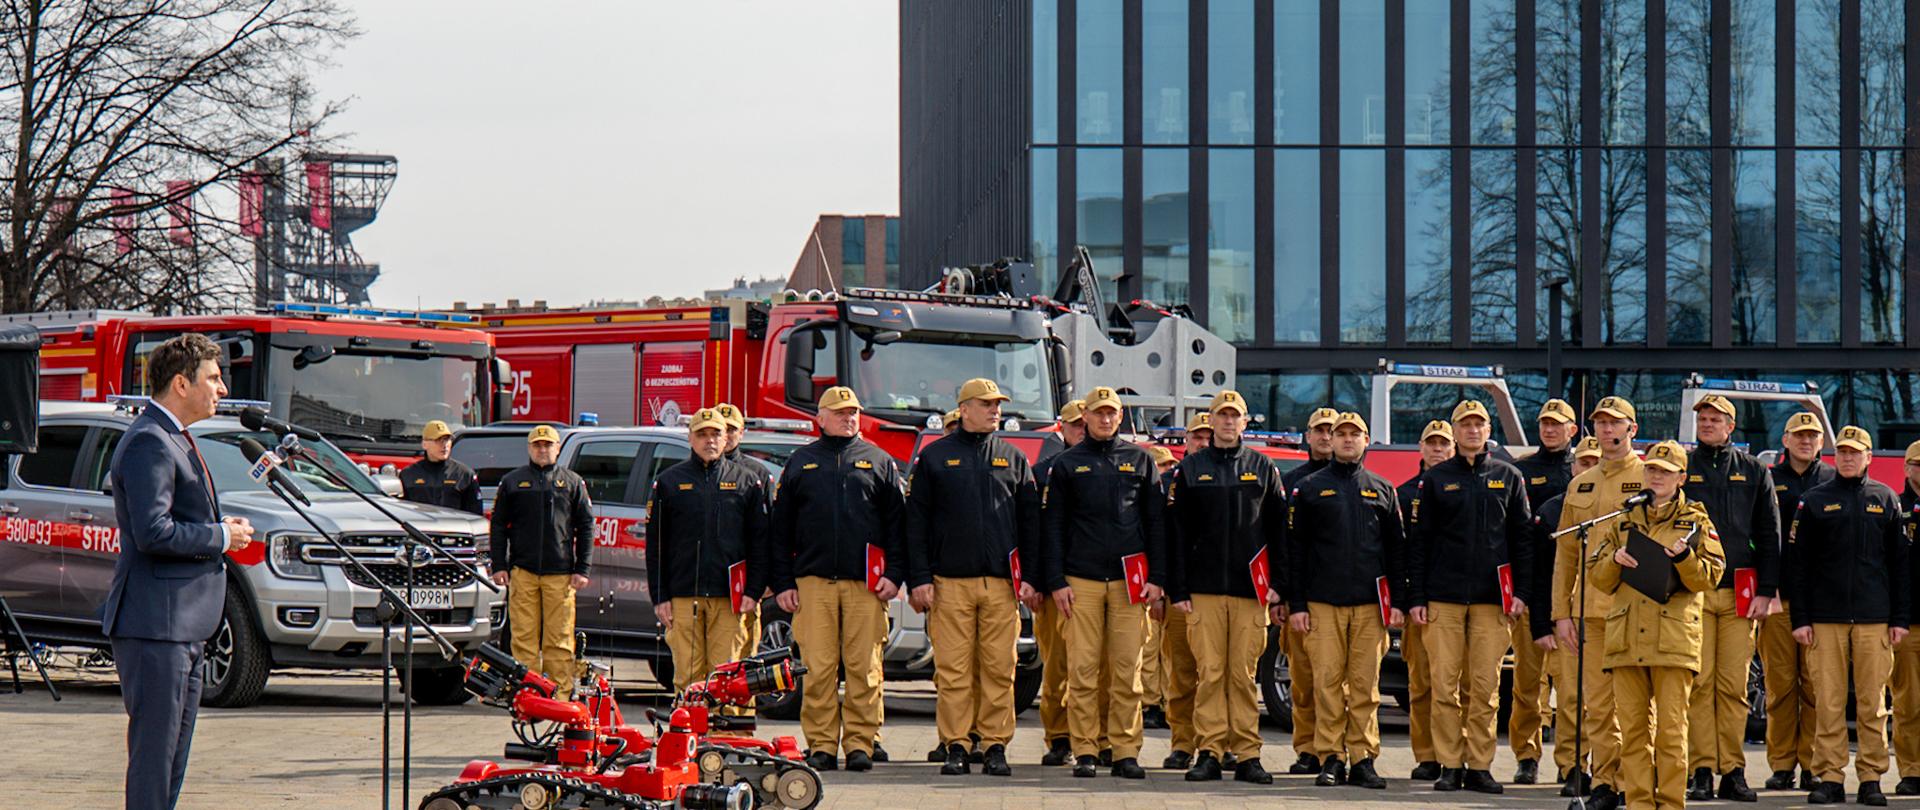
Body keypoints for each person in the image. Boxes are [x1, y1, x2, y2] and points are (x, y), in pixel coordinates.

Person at [104, 333, 255, 810]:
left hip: (183, 625)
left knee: (171, 760)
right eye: (214, 378)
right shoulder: (150, 441)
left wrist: (218, 528)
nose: (223, 389)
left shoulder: (173, 436)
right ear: (181, 384)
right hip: (156, 624)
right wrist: (221, 536)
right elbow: (153, 532)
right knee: (155, 759)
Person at [904, 378, 1041, 778]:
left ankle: (995, 745)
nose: (995, 410)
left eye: (998, 404)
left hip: (1001, 585)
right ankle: (957, 745)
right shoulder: (934, 457)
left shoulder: (1014, 458)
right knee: (953, 671)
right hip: (949, 583)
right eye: (986, 404)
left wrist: (1030, 577)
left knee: (1000, 668)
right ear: (963, 409)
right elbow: (916, 524)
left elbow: (1030, 524)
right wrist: (919, 578)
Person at [769, 387, 906, 773]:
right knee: (817, 669)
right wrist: (783, 583)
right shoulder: (800, 463)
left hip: (866, 585)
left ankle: (861, 743)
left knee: (865, 667)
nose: (849, 418)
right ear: (821, 418)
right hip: (814, 584)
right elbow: (780, 531)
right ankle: (822, 745)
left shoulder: (879, 461)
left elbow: (898, 526)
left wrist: (895, 574)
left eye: (853, 412)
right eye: (841, 412)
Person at [1590, 441, 1726, 810]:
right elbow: (1598, 578)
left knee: (1671, 733)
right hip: (1627, 639)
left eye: (1665, 472)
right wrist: (1614, 561)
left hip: (1673, 640)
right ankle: (1638, 803)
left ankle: (1669, 804)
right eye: (1651, 469)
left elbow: (1710, 576)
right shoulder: (1623, 520)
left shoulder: (1697, 521)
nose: (1656, 476)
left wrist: (1684, 558)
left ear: (1681, 478)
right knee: (1633, 733)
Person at [1408, 400, 1531, 794]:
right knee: (1444, 686)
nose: (1472, 430)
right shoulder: (1436, 479)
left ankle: (1479, 765)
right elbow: (1420, 542)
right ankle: (1450, 764)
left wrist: (1521, 593)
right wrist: (1418, 597)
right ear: (1455, 431)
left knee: (1484, 688)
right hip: (1442, 599)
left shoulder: (1509, 476)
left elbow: (1522, 540)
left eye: (1479, 424)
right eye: (1465, 424)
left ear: (1488, 430)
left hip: (1492, 601)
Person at [1043, 386, 1166, 779]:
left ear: (1120, 417)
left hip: (1130, 584)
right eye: (1098, 413)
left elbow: (1156, 523)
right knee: (1083, 671)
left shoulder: (1140, 460)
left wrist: (1158, 578)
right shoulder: (1067, 464)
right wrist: (1056, 581)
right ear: (1086, 417)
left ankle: (1124, 750)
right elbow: (1053, 526)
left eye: (1111, 412)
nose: (1105, 419)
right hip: (1081, 581)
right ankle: (1085, 750)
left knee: (1127, 671)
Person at [1787, 425, 1911, 806]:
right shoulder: (1813, 500)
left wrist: (1899, 619)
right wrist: (1800, 619)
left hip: (1875, 618)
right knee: (1828, 703)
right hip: (1825, 618)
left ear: (1869, 457)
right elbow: (1798, 565)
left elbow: (1900, 565)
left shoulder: (1885, 499)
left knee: (1873, 704)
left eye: (1855, 452)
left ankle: (1871, 778)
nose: (1847, 458)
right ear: (1834, 456)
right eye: (1842, 452)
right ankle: (1829, 777)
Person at [1165, 390, 1285, 784]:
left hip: (1252, 592)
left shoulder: (1263, 467)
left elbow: (1279, 532)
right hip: (1204, 590)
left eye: (1236, 416)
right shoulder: (1191, 468)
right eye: (1222, 415)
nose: (1229, 421)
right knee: (1211, 673)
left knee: (1243, 676)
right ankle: (1210, 752)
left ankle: (1248, 754)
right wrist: (1178, 588)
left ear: (1245, 422)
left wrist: (1279, 585)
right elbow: (1177, 533)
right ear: (1211, 420)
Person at [1286, 411, 1404, 790]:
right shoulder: (1309, 489)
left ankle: (1363, 758)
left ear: (1367, 440)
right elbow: (1295, 551)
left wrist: (1398, 602)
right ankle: (1331, 757)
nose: (1348, 439)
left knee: (1366, 685)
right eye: (1341, 434)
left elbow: (1396, 551)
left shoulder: (1383, 489)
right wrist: (1297, 605)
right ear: (1332, 440)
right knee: (1327, 684)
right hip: (1322, 604)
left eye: (1356, 434)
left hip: (1370, 606)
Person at [1680, 395, 1778, 802]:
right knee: (1700, 684)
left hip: (1741, 593)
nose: (1707, 424)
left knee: (1734, 687)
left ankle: (1733, 771)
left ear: (1730, 426)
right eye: (1702, 418)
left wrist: (1767, 591)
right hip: (1695, 591)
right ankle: (1702, 769)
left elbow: (1770, 532)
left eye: (1715, 419)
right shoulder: (1684, 467)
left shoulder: (1753, 470)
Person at [1551, 395, 1645, 810]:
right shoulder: (1580, 484)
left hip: (1636, 609)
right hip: (1589, 611)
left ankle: (1634, 782)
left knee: (1636, 705)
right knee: (1598, 705)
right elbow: (1565, 554)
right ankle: (1605, 781)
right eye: (1601, 423)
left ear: (1632, 429)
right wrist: (1561, 613)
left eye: (1615, 423)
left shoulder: (1650, 477)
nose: (1607, 429)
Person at [645, 409, 770, 693]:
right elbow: (656, 544)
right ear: (690, 438)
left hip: (730, 598)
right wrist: (660, 596)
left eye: (716, 434)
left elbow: (759, 542)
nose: (709, 440)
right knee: (687, 678)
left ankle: (722, 725)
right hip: (683, 595)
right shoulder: (669, 482)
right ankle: (690, 724)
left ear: (726, 438)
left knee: (727, 677)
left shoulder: (747, 481)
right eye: (702, 434)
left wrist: (753, 591)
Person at [490, 424, 595, 698]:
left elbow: (586, 526)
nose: (542, 449)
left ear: (558, 448)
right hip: (522, 572)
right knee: (523, 639)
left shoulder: (572, 482)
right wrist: (499, 564)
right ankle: (528, 697)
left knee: (559, 640)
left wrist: (583, 568)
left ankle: (560, 697)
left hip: (561, 575)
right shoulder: (512, 482)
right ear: (529, 448)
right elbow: (498, 525)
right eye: (537, 445)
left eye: (548, 445)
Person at [1761, 411, 1833, 791]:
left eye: (1813, 436)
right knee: (1780, 687)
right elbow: (1758, 537)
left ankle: (1812, 764)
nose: (1806, 441)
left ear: (1821, 442)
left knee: (1816, 687)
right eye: (1799, 435)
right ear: (1785, 440)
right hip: (1779, 600)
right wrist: (1764, 586)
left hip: (1820, 604)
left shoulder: (1833, 480)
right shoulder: (1767, 480)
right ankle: (1782, 764)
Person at [1509, 398, 1579, 784]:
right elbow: (1515, 535)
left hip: (1574, 594)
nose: (1549, 430)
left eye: (1557, 424)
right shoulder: (1521, 471)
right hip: (1533, 587)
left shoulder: (1585, 470)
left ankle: (1571, 761)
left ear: (1572, 429)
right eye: (1545, 424)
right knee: (1528, 683)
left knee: (1571, 688)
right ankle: (1526, 755)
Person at [1535, 435, 1603, 785]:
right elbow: (1544, 571)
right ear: (1572, 467)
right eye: (1583, 462)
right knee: (1571, 696)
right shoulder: (1553, 509)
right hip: (1570, 614)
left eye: (1595, 462)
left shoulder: (1620, 506)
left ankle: (1606, 769)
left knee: (1604, 699)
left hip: (1606, 612)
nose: (1588, 468)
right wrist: (1545, 621)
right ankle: (1572, 766)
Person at [1280, 405, 1341, 775]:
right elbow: (1282, 543)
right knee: (1303, 680)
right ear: (1307, 436)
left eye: (1331, 430)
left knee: (1337, 683)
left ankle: (1336, 750)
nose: (1325, 436)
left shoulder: (1359, 481)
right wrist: (1283, 595)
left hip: (1338, 597)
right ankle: (1307, 749)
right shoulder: (1292, 482)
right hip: (1300, 598)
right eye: (1319, 430)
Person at [1399, 420, 1455, 782]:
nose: (1437, 449)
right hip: (1418, 603)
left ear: (1452, 448)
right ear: (1420, 448)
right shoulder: (1405, 494)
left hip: (1452, 599)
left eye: (1443, 444)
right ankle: (1427, 756)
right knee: (1420, 684)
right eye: (1431, 443)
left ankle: (1453, 753)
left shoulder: (1462, 490)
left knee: (1452, 685)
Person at [1033, 398, 1087, 767]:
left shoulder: (1109, 466)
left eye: (1086, 423)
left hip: (1096, 579)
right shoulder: (1042, 474)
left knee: (1095, 668)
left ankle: (1095, 737)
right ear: (1061, 429)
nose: (1082, 430)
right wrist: (1038, 583)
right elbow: (1035, 533)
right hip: (1055, 584)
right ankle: (1058, 737)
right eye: (1075, 425)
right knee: (1057, 668)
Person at [1160, 411, 1210, 772]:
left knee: (1216, 673)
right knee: (1181, 672)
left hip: (1215, 591)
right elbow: (1159, 538)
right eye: (1197, 437)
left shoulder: (1229, 476)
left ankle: (1218, 743)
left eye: (1208, 437)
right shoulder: (1167, 482)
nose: (1203, 443)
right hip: (1178, 592)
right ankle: (1182, 742)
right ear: (1186, 441)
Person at [1895, 441, 1920, 797]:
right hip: (1906, 621)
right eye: (1917, 464)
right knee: (1907, 702)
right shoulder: (1892, 507)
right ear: (1906, 468)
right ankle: (1912, 770)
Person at [398, 419, 483, 515]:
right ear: (424, 444)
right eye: (438, 440)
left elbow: (475, 515)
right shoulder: (408, 475)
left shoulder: (464, 474)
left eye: (447, 439)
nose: (444, 445)